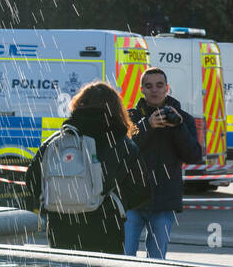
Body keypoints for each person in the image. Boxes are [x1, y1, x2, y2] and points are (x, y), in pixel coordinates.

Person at [24, 81, 148, 253]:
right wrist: (114, 202)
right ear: (115, 108)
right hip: (106, 227)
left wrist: (61, 199)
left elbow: (31, 180)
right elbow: (141, 190)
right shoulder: (123, 144)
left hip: (61, 225)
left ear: (78, 104)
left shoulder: (57, 142)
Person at [125, 66, 203, 259]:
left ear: (167, 88)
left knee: (157, 261)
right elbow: (124, 151)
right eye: (149, 86)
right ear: (141, 89)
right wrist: (147, 126)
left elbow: (194, 156)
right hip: (132, 200)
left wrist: (178, 128)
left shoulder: (183, 119)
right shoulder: (130, 117)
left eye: (159, 85)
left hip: (164, 201)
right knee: (124, 258)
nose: (154, 90)